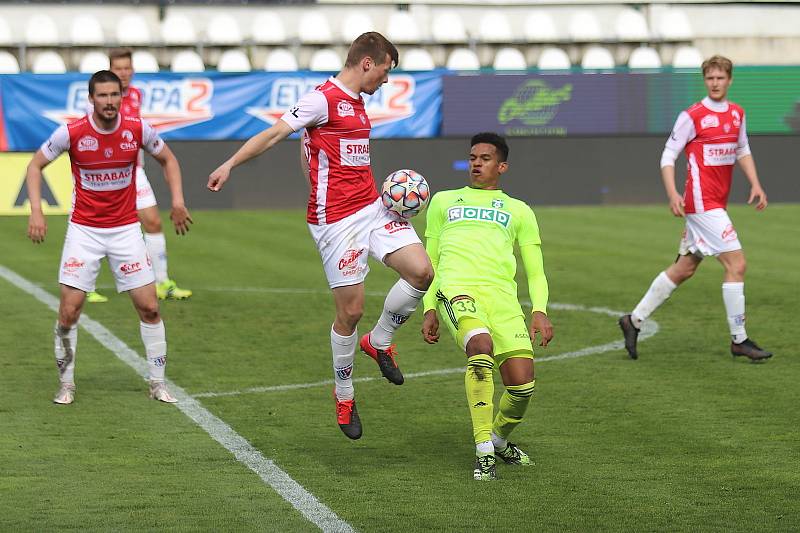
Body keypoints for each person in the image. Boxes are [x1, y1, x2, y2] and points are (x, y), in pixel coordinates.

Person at [208, 32, 433, 440]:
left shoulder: (358, 104)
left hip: (374, 208)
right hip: (337, 222)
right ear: (368, 62)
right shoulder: (320, 99)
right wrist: (230, 164)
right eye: (384, 72)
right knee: (350, 312)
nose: (384, 81)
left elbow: (312, 147)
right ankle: (344, 394)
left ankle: (379, 342)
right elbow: (276, 134)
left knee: (421, 272)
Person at [26, 70, 192, 404]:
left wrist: (177, 201)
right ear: (91, 99)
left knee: (149, 307)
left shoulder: (136, 129)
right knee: (69, 312)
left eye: (114, 95)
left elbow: (168, 159)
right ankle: (66, 384)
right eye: (102, 96)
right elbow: (34, 166)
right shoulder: (71, 133)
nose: (109, 101)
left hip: (125, 230)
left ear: (121, 97)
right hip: (84, 232)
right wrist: (37, 211)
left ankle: (157, 383)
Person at [618, 55, 772, 362]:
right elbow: (667, 155)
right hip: (701, 204)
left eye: (720, 78)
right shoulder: (692, 115)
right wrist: (673, 193)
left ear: (729, 80)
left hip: (715, 202)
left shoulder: (737, 114)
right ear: (705, 81)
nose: (715, 83)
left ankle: (633, 320)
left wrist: (755, 183)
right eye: (710, 78)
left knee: (684, 268)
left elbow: (742, 149)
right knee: (736, 265)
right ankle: (739, 339)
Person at [421, 132, 554, 481]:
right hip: (457, 290)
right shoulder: (444, 201)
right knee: (480, 349)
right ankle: (483, 452)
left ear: (502, 165)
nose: (476, 163)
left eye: (485, 158)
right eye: (473, 157)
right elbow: (429, 259)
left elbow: (535, 269)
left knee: (522, 385)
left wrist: (538, 309)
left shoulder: (519, 210)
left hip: (503, 300)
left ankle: (498, 440)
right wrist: (428, 307)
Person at [85, 48, 192, 303]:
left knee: (153, 222)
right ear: (110, 70)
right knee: (96, 227)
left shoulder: (134, 95)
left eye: (127, 67)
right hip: (103, 174)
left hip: (134, 171)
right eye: (118, 68)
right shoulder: (99, 99)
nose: (124, 72)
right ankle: (84, 285)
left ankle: (161, 282)